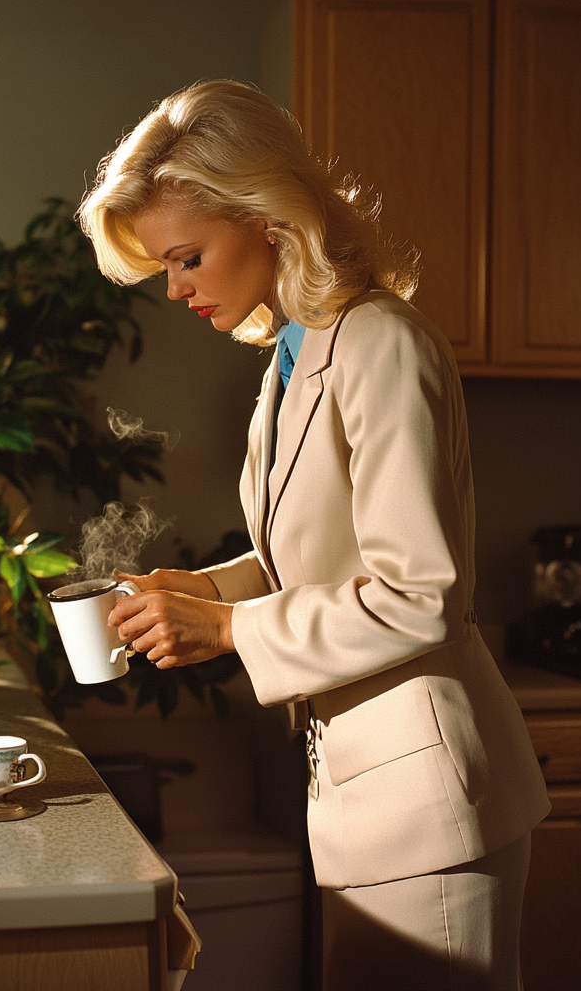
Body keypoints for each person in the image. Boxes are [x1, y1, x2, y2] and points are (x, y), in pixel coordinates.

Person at [77, 80, 551, 990]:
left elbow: (420, 596)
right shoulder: (297, 353)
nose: (176, 289)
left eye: (186, 259)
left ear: (264, 215)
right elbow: (316, 559)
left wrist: (225, 632)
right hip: (370, 797)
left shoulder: (380, 342)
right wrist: (205, 590)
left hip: (432, 798)